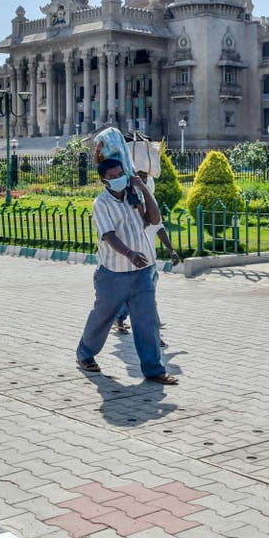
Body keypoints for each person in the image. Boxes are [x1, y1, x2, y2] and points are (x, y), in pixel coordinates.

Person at [76, 158, 178, 385]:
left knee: (147, 321)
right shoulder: (101, 203)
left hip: (142, 272)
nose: (117, 178)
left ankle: (154, 370)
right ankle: (85, 354)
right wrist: (130, 253)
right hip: (113, 273)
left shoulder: (133, 198)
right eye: (112, 177)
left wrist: (142, 188)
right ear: (104, 181)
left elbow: (154, 219)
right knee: (103, 317)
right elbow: (109, 235)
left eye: (120, 174)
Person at [113, 168, 180, 345]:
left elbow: (158, 226)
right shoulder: (129, 204)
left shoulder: (149, 200)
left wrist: (171, 249)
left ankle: (139, 325)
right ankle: (153, 333)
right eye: (139, 177)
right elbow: (141, 223)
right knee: (144, 298)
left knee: (145, 297)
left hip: (149, 261)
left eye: (145, 177)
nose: (142, 179)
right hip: (134, 261)